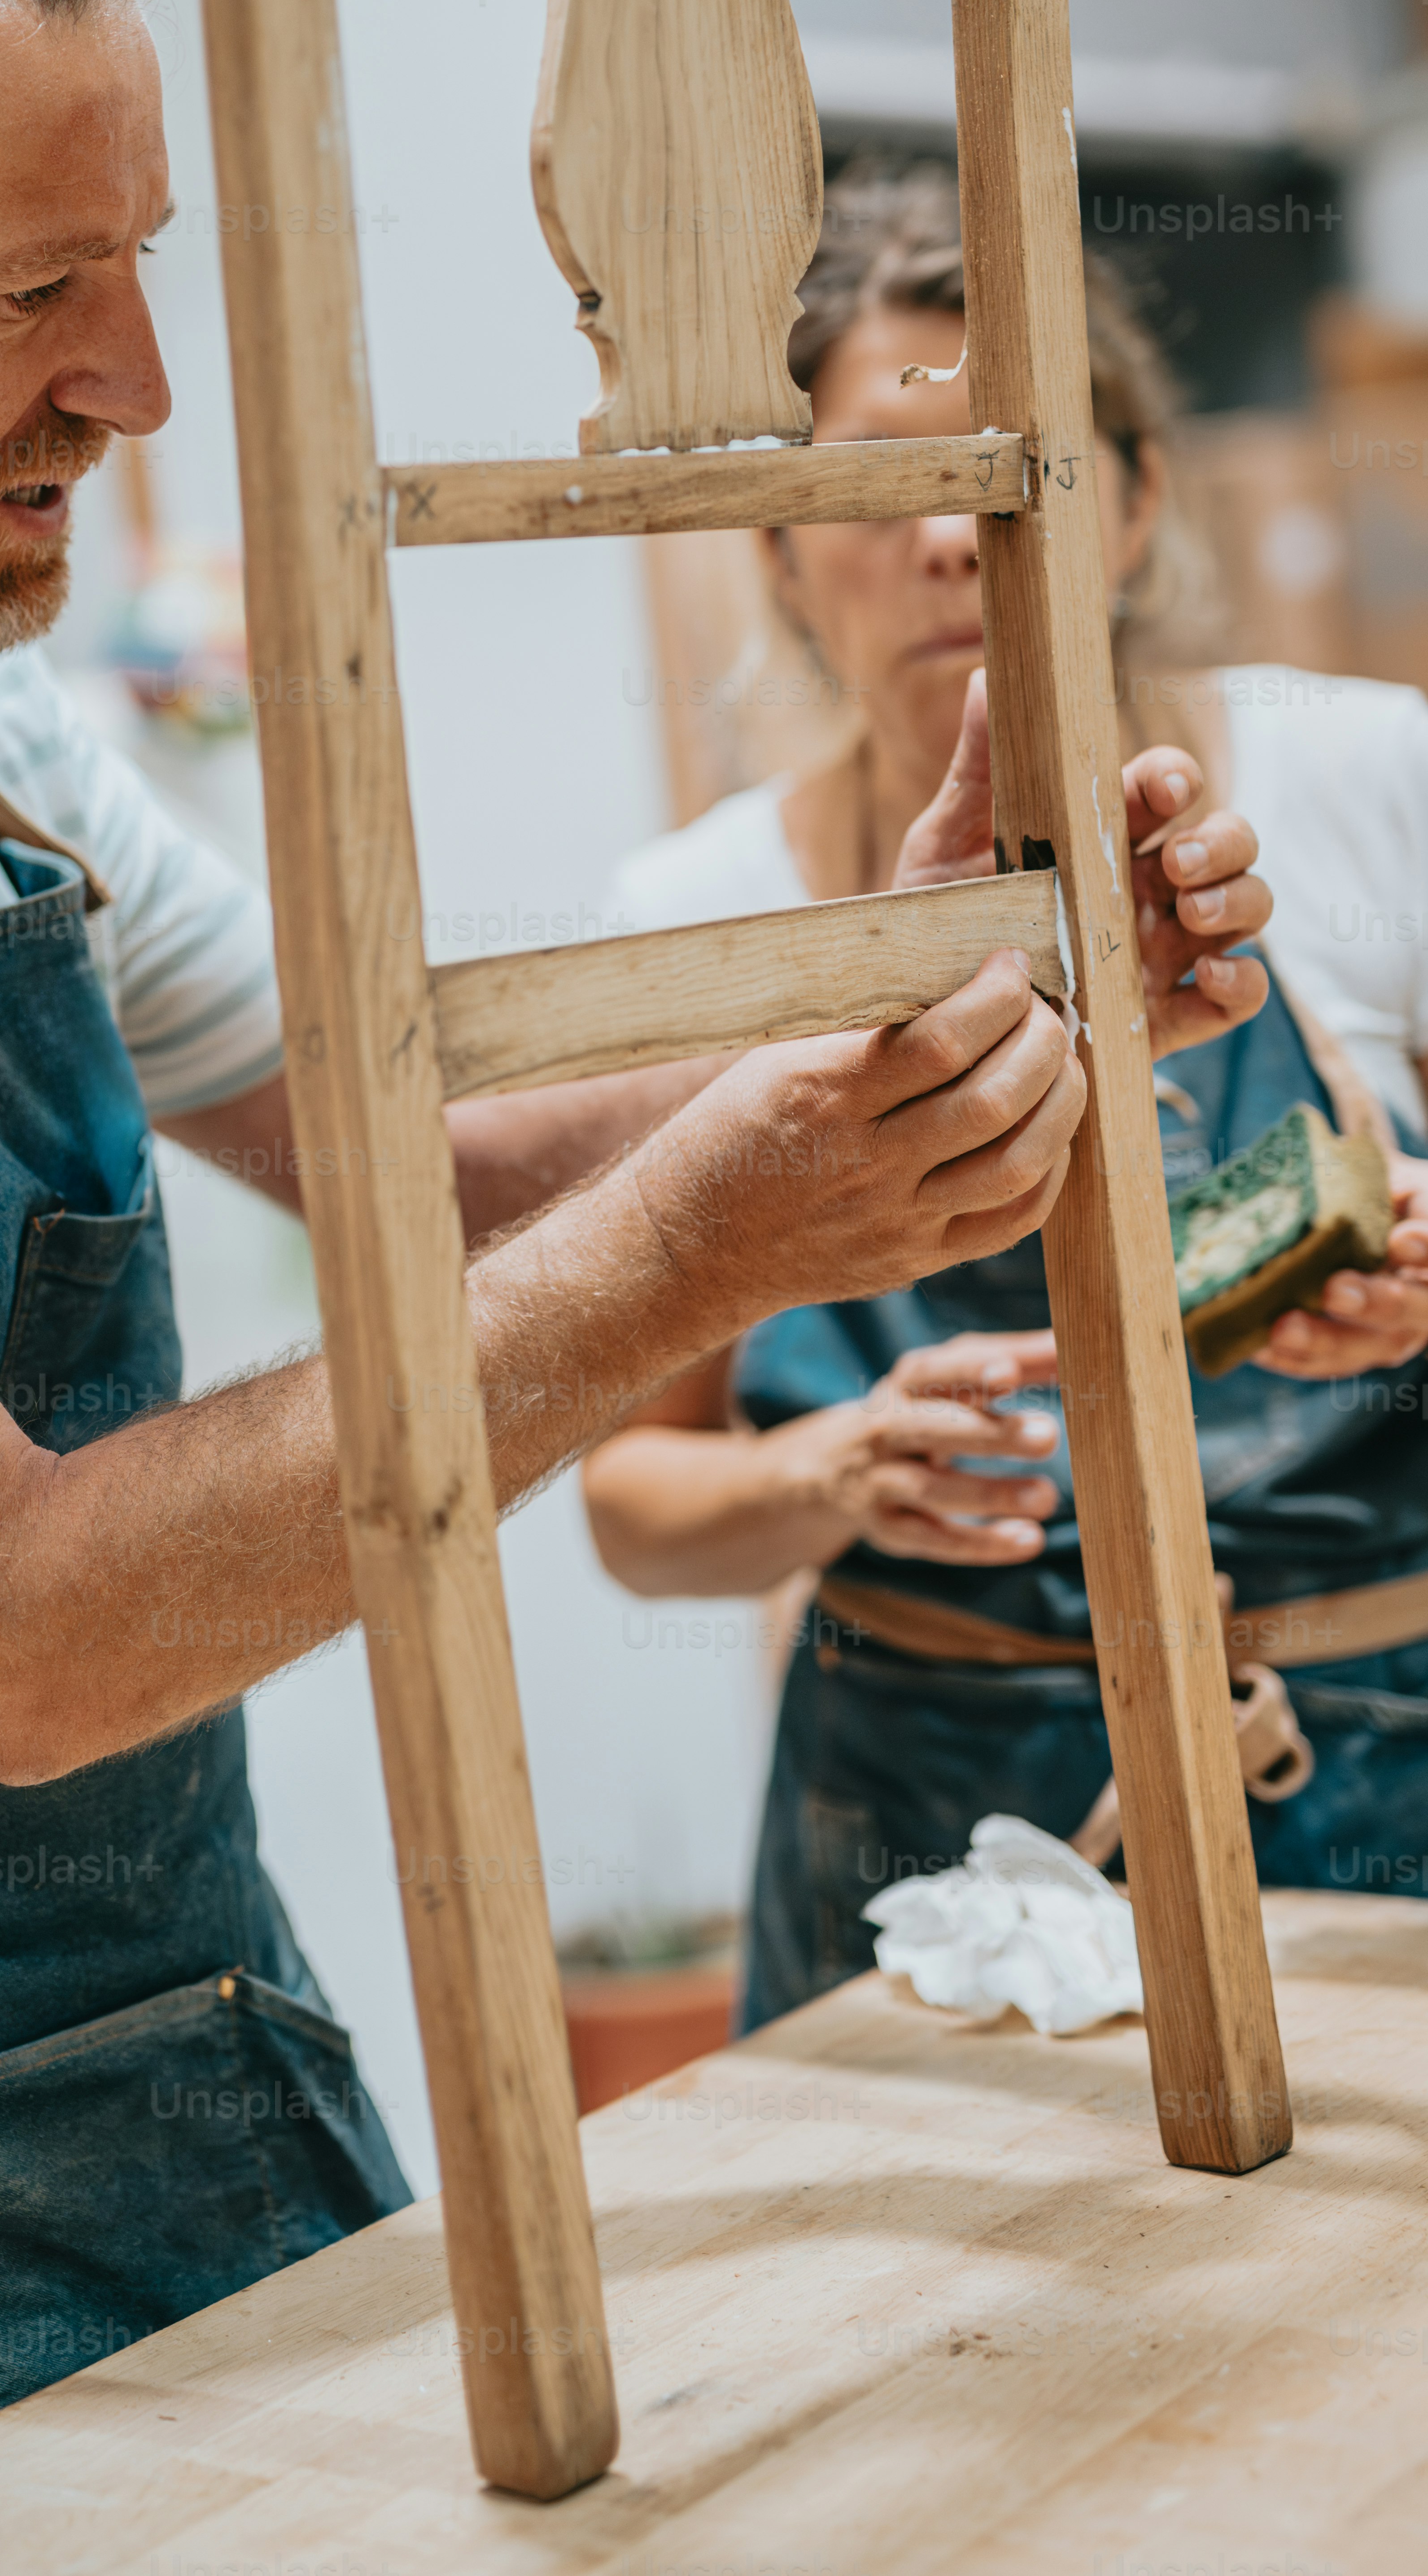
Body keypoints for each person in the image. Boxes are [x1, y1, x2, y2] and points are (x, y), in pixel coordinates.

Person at [0, 0, 1255, 2576]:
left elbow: (431, 1159)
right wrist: (709, 1243)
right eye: (34, 294)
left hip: (194, 2063)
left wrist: (959, 983)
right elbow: (9, 1627)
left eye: (144, 260)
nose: (138, 380)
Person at [585, 162, 1428, 2033]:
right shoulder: (698, 924)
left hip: (1370, 1768)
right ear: (783, 550)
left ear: (1124, 501)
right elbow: (638, 1504)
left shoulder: (1368, 784)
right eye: (876, 493)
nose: (950, 542)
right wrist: (825, 1471)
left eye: (1002, 471)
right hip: (913, 1814)